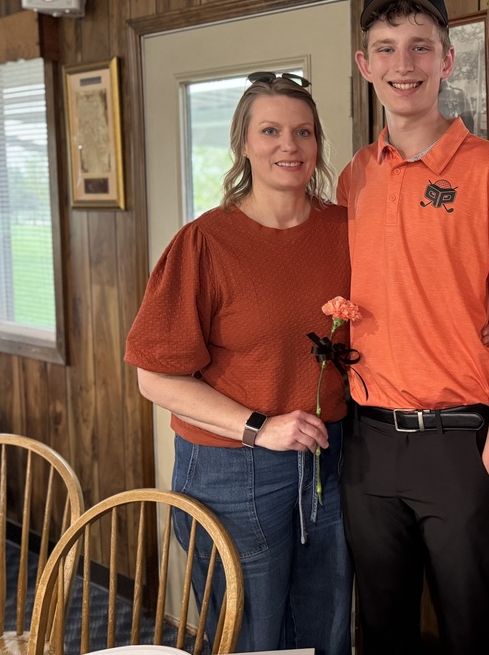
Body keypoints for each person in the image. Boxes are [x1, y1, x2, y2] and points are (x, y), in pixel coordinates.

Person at [124, 73, 352, 655]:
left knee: (327, 631)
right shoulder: (204, 243)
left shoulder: (345, 230)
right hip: (233, 468)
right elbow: (155, 376)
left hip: (331, 456)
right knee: (253, 636)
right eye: (270, 131)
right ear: (244, 143)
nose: (289, 146)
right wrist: (259, 426)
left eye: (303, 132)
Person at [336, 0, 489, 655]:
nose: (402, 65)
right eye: (385, 49)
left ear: (448, 60)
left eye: (420, 47)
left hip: (459, 445)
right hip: (367, 445)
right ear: (365, 66)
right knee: (381, 634)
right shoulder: (354, 175)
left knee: (471, 635)